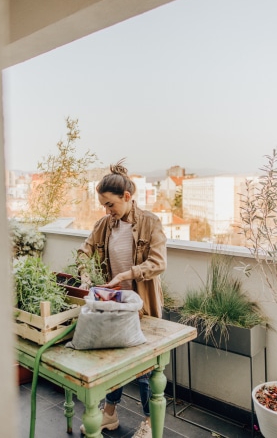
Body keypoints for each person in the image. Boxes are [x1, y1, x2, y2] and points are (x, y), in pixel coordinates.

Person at [77, 159, 167, 438]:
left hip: (143, 307)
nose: (107, 210)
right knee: (115, 362)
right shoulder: (105, 224)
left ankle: (151, 423)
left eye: (110, 204)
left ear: (127, 197)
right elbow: (84, 251)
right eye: (104, 205)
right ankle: (110, 416)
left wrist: (128, 273)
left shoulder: (150, 223)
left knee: (144, 369)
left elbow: (159, 262)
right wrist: (84, 275)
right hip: (115, 306)